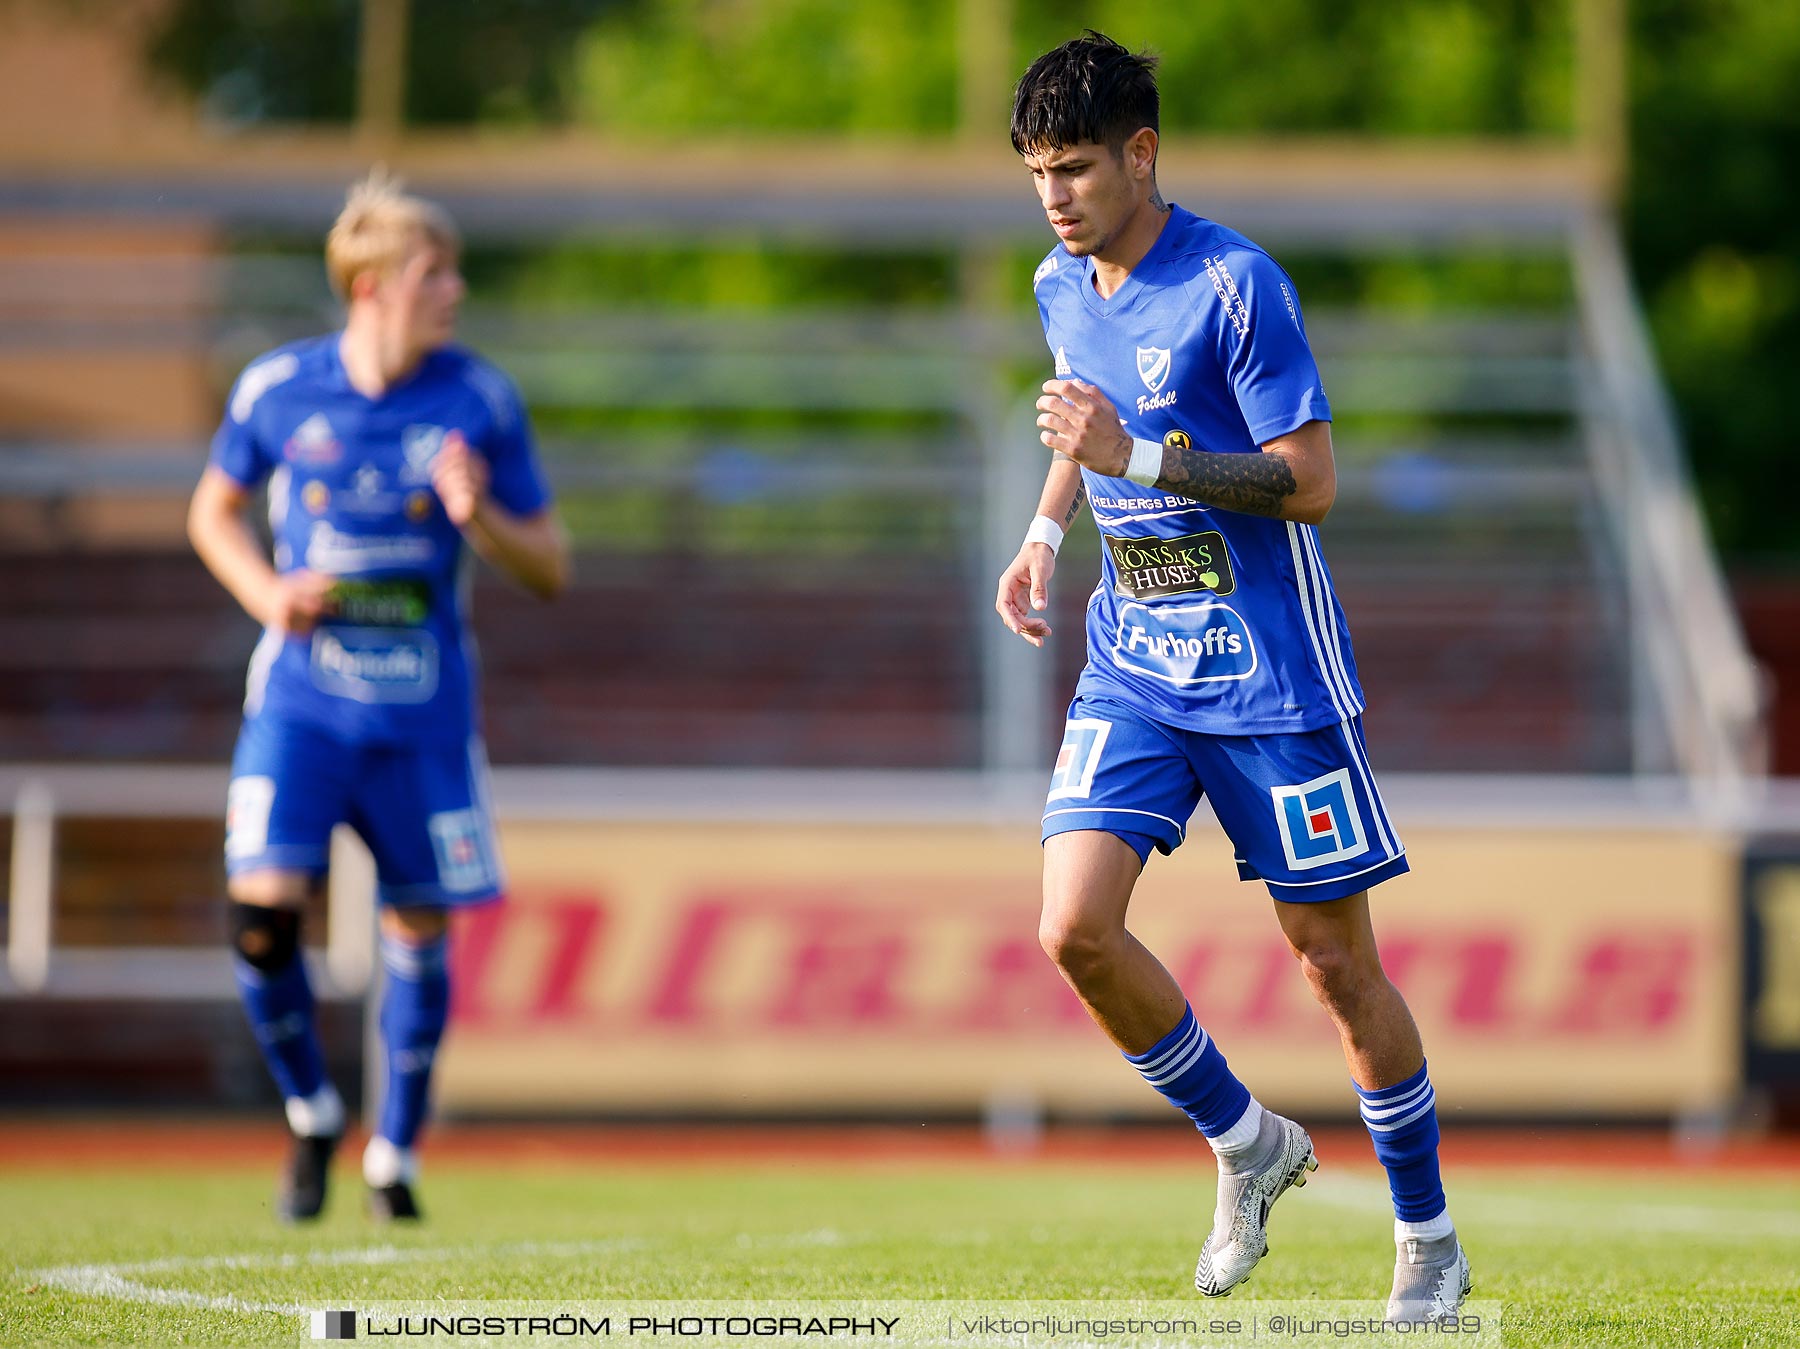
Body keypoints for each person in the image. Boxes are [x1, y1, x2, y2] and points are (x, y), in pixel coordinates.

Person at [995, 33, 1470, 1323]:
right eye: (1039, 170)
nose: (1056, 194)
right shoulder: (1060, 278)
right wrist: (1046, 531)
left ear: (1143, 153)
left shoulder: (1237, 285)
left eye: (1078, 166)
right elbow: (1076, 413)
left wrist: (1140, 460)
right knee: (1072, 925)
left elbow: (1309, 482)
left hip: (1268, 678)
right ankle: (1250, 1142)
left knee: (1333, 964)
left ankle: (1427, 1236)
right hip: (1136, 668)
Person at [188, 171, 568, 1223]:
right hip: (302, 706)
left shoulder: (478, 399)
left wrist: (478, 511)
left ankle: (392, 1153)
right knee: (262, 912)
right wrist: (270, 590)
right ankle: (312, 1108)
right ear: (372, 286)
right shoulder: (276, 390)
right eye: (432, 272)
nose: (453, 290)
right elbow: (210, 514)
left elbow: (551, 564)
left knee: (420, 927)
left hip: (423, 718)